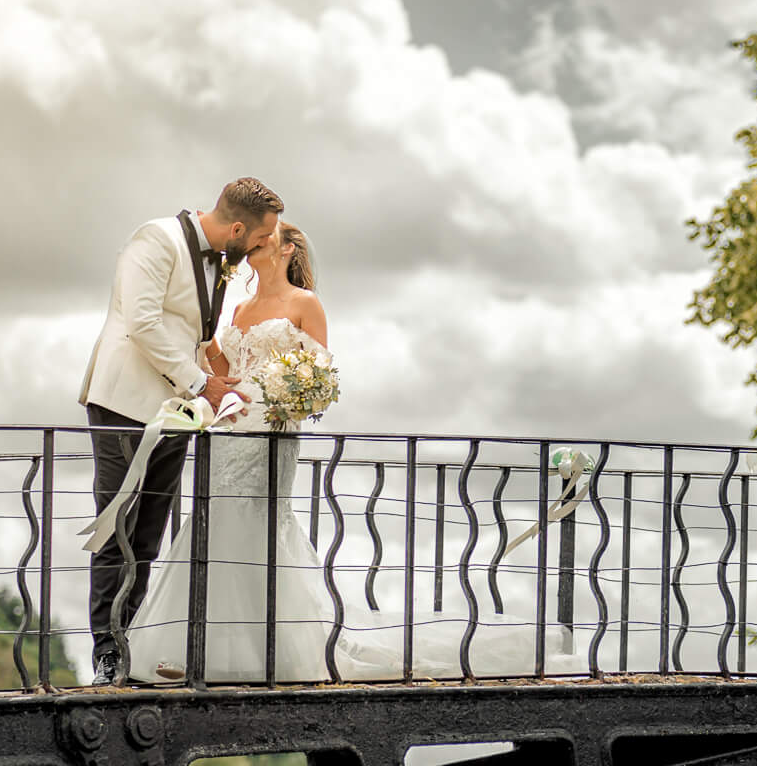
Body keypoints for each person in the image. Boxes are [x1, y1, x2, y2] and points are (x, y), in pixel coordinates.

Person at [120, 224, 583, 683]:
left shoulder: (305, 304)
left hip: (273, 429)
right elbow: (223, 368)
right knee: (216, 522)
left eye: (265, 239)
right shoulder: (238, 307)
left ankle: (263, 650)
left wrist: (288, 397)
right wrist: (200, 346)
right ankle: (199, 648)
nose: (255, 244)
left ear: (286, 250)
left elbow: (318, 374)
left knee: (255, 523)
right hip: (228, 432)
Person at [78, 178, 282, 684]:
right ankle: (107, 654)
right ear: (237, 228)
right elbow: (143, 323)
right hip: (124, 405)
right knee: (116, 529)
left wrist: (226, 390)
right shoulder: (154, 239)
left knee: (147, 535)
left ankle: (133, 649)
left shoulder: (220, 259)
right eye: (258, 239)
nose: (260, 248)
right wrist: (202, 385)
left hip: (177, 413)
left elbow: (195, 335)